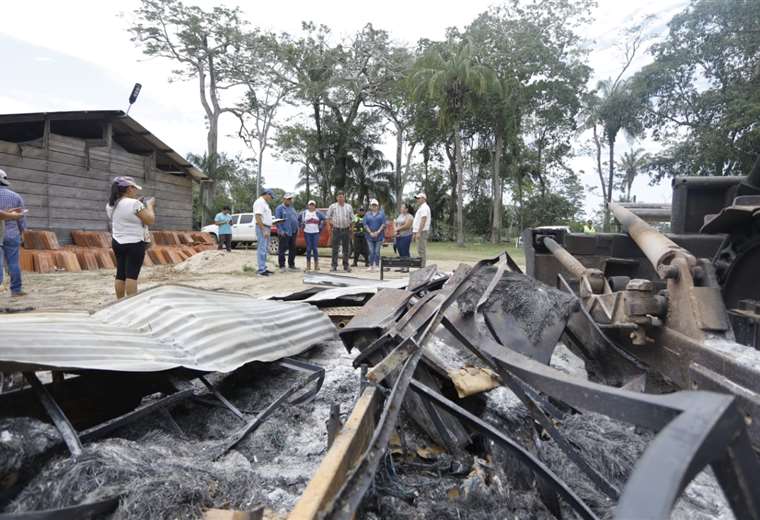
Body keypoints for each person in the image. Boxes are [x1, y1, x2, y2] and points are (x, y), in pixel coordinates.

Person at [106, 176, 155, 299]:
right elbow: (150, 220)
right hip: (134, 243)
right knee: (132, 276)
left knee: (120, 274)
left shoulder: (110, 205)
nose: (136, 191)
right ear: (129, 188)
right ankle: (132, 304)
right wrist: (149, 206)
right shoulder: (135, 204)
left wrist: (138, 203)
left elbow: (125, 213)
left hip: (117, 242)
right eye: (134, 188)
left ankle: (120, 302)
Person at [0, 169, 27, 297]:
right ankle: (16, 290)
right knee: (13, 263)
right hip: (12, 234)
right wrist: (23, 232)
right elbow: (21, 217)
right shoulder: (16, 196)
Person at [326, 191, 353, 272]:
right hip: (336, 230)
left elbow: (353, 219)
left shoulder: (349, 207)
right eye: (339, 197)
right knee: (335, 249)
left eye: (342, 197)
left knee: (346, 249)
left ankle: (346, 266)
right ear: (336, 198)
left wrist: (352, 229)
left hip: (346, 229)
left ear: (344, 198)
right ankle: (334, 266)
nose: (340, 198)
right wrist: (329, 227)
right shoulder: (332, 206)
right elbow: (327, 218)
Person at [275, 193, 300, 273]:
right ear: (284, 199)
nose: (289, 200)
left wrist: (297, 228)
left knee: (293, 249)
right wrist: (281, 231)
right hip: (284, 232)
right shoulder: (280, 208)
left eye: (290, 199)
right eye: (288, 199)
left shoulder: (292, 208)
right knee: (282, 249)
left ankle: (291, 265)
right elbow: (277, 221)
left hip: (293, 232)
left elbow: (295, 218)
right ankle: (282, 266)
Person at [253, 188, 274, 277]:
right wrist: (263, 229)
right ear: (267, 194)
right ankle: (261, 270)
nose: (271, 199)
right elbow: (258, 216)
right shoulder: (259, 202)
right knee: (262, 248)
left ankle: (264, 267)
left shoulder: (264, 203)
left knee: (264, 249)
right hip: (262, 227)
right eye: (271, 197)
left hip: (267, 227)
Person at [301, 200, 325, 271]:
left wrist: (321, 226)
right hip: (307, 233)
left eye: (313, 205)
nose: (311, 206)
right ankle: (308, 266)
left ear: (315, 206)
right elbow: (298, 219)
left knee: (315, 249)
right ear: (308, 206)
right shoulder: (304, 213)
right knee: (308, 249)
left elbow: (324, 219)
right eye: (310, 205)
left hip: (315, 233)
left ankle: (316, 265)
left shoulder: (318, 213)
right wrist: (301, 226)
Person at [363, 199, 385, 272]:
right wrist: (370, 233)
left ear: (378, 206)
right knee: (371, 251)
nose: (374, 207)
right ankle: (371, 265)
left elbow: (383, 224)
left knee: (377, 251)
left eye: (375, 205)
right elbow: (365, 224)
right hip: (369, 236)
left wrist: (378, 232)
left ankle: (377, 265)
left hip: (379, 236)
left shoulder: (381, 214)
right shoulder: (367, 214)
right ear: (370, 206)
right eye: (373, 205)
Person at [412, 193, 431, 267]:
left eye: (419, 198)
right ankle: (421, 266)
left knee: (421, 250)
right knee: (420, 250)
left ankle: (422, 267)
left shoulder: (424, 207)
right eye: (417, 198)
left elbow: (423, 219)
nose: (417, 200)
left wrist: (419, 232)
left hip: (422, 231)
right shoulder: (421, 207)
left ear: (423, 198)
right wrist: (415, 232)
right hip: (420, 231)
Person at [395, 204, 414, 269]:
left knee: (405, 251)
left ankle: (407, 266)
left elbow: (407, 226)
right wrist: (396, 229)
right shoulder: (400, 215)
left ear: (406, 209)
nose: (401, 208)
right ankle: (402, 265)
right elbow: (396, 223)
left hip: (406, 236)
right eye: (401, 207)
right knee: (400, 250)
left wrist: (398, 229)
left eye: (402, 207)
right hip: (398, 236)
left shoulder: (410, 216)